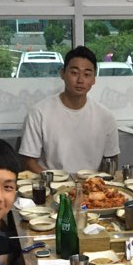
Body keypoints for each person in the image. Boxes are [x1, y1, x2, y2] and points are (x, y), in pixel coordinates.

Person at [18, 45, 119, 174]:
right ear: (62, 73)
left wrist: (98, 182)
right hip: (52, 183)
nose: (80, 80)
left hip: (91, 183)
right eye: (74, 73)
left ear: (94, 79)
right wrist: (54, 181)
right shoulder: (39, 113)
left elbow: (112, 159)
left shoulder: (105, 117)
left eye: (87, 74)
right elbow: (28, 162)